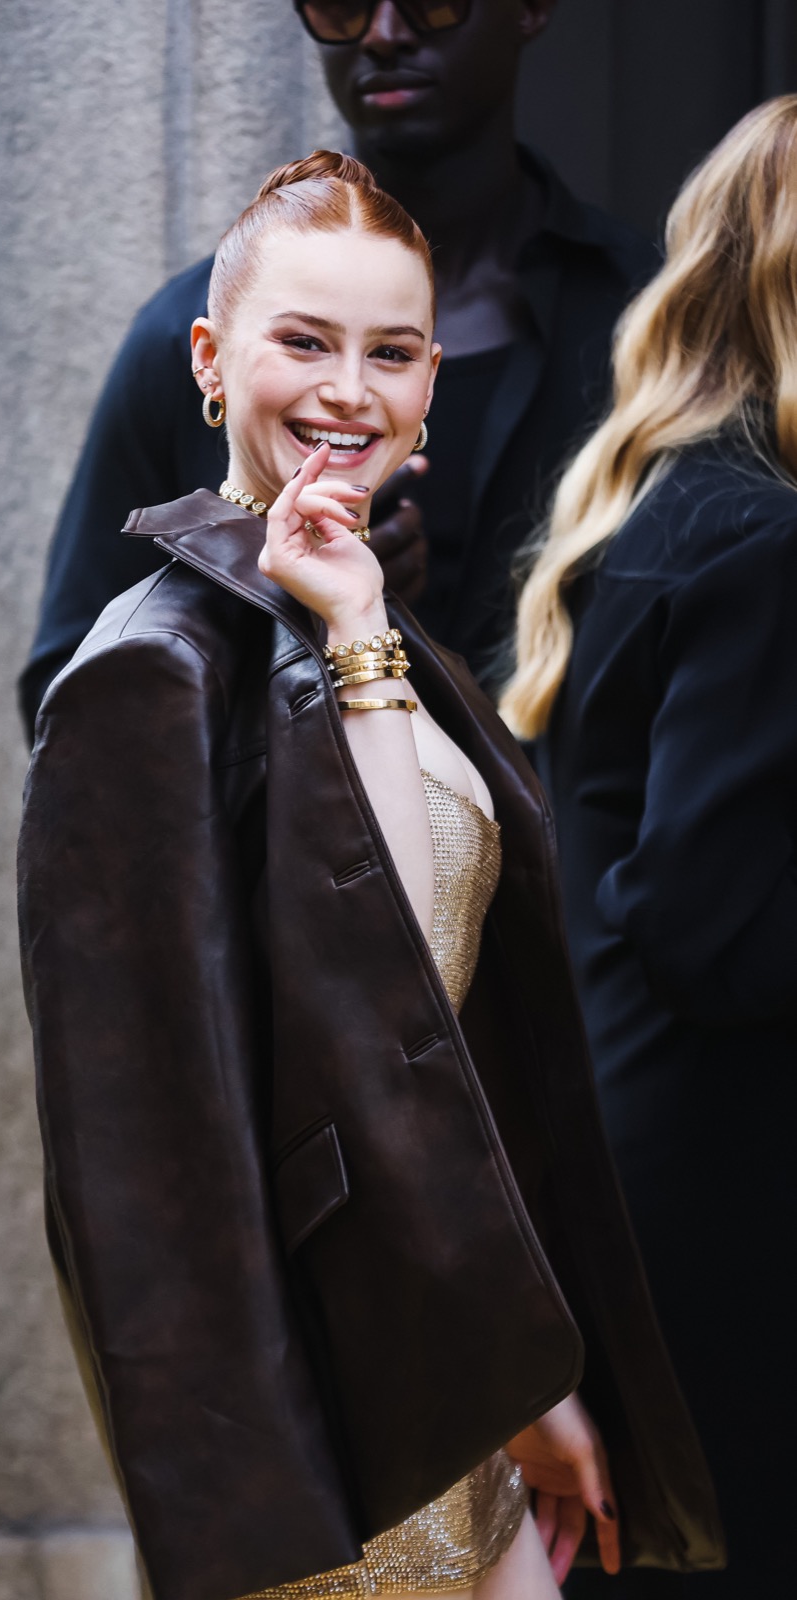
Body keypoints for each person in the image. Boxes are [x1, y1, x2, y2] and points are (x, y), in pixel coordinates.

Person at [18, 152, 722, 1600]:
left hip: (439, 1366)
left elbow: (431, 1028)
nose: (349, 391)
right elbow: (152, 1167)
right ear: (208, 361)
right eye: (303, 341)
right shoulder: (149, 672)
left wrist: (516, 1374)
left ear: (429, 384)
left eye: (391, 352)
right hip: (329, 1423)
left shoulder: (369, 624)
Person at [17, 0, 658, 738]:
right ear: (209, 362)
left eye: (432, 1)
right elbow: (73, 696)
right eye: (341, 5)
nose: (383, 33)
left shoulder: (646, 320)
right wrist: (288, 608)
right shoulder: (179, 332)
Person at [502, 96, 797, 1598]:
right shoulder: (763, 534)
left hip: (636, 1171)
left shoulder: (667, 503)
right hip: (723, 1212)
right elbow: (704, 926)